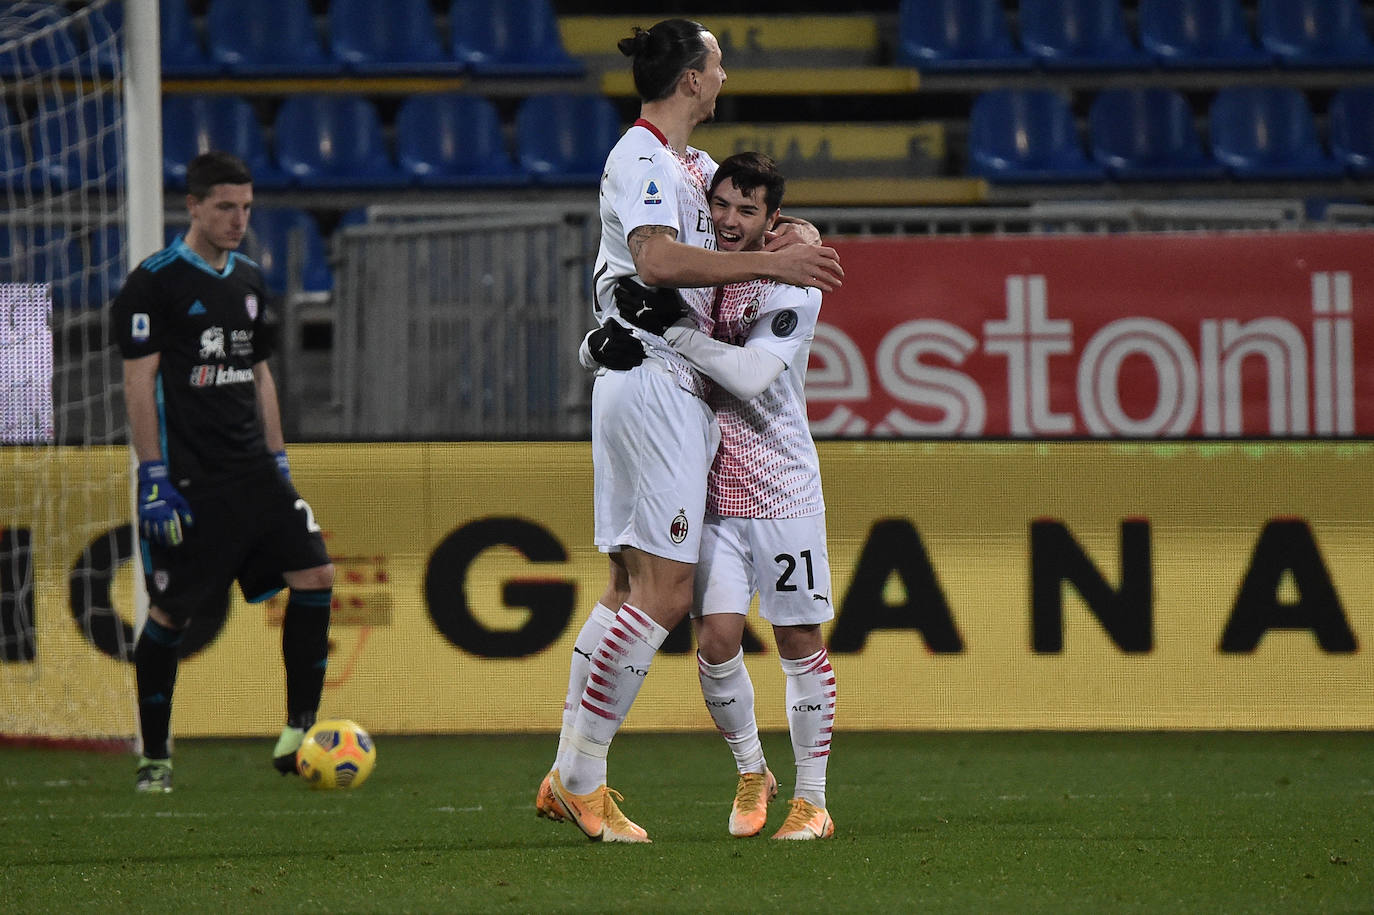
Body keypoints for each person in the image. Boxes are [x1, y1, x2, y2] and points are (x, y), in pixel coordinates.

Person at [535, 19, 843, 843]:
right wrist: (776, 265)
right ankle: (582, 778)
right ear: (692, 82)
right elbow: (660, 262)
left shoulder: (693, 167)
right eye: (717, 65)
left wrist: (798, 238)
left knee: (628, 586)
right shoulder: (637, 158)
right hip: (652, 382)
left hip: (661, 384)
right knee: (667, 594)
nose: (725, 75)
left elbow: (760, 222)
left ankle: (571, 769)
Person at [586, 153, 836, 841]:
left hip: (784, 489)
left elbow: (753, 374)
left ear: (771, 220)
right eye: (721, 204)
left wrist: (670, 331)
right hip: (716, 491)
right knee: (716, 640)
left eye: (746, 210)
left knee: (797, 638)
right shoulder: (707, 268)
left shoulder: (794, 280)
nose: (728, 220)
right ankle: (753, 770)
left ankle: (813, 800)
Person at [110, 150, 334, 793]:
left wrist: (279, 458)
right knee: (171, 616)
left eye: (246, 208)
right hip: (189, 481)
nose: (238, 220)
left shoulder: (249, 280)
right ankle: (155, 756)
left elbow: (259, 374)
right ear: (194, 207)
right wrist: (151, 475)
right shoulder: (153, 284)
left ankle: (297, 733)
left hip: (255, 474)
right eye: (225, 208)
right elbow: (138, 383)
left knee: (316, 573)